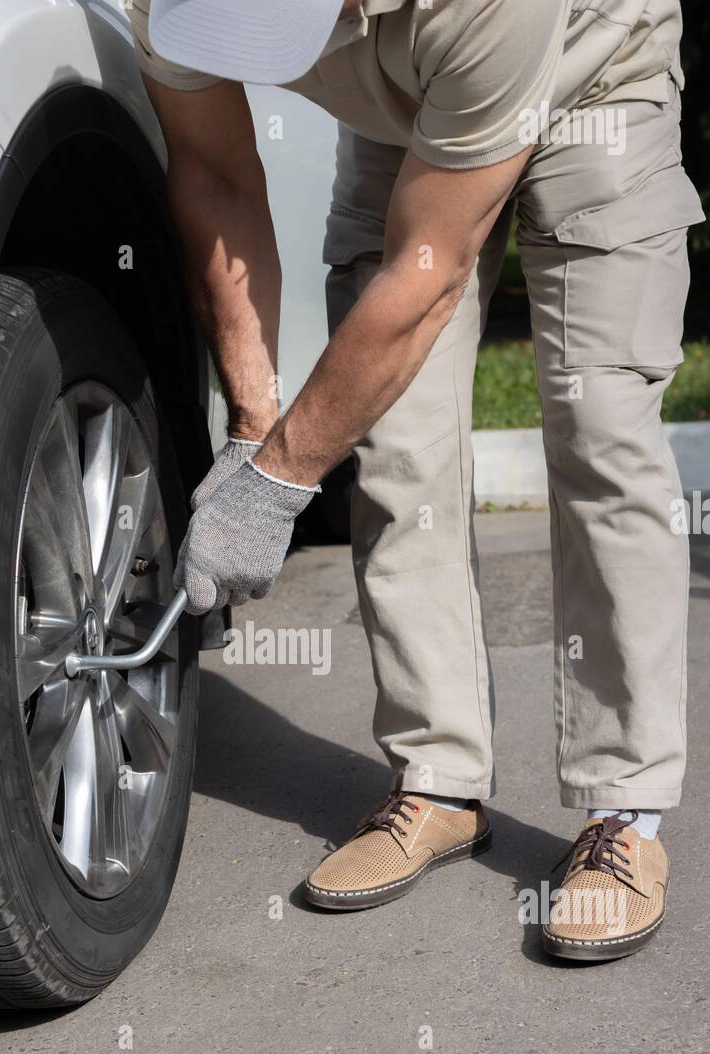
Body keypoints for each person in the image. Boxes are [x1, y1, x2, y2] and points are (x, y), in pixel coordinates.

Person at [127, 0, 704, 960]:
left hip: (591, 67)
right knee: (395, 444)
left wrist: (277, 485)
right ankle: (437, 780)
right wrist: (257, 425)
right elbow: (219, 176)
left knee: (599, 424)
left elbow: (431, 273)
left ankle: (625, 815)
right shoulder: (167, 2)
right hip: (406, 111)